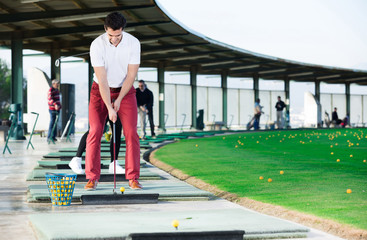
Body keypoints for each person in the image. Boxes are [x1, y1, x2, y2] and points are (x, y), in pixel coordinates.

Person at [86, 12, 141, 190]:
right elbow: (102, 80)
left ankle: (132, 177)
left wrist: (119, 100)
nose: (114, 39)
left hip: (125, 91)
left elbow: (131, 76)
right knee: (95, 131)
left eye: (117, 36)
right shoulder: (96, 45)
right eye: (110, 35)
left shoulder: (133, 43)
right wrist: (110, 107)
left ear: (122, 31)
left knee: (131, 132)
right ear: (105, 30)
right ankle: (92, 178)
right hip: (99, 91)